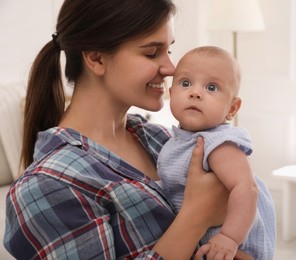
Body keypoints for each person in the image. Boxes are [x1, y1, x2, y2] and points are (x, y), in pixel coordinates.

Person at [2, 1, 256, 259]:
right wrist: (195, 215)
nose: (170, 68)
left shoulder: (161, 139)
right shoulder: (47, 186)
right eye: (152, 53)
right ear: (96, 58)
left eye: (169, 50)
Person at [157, 46, 276, 260]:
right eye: (185, 83)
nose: (195, 92)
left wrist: (230, 238)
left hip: (230, 245)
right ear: (171, 92)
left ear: (232, 108)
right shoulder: (178, 140)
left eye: (211, 87)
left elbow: (246, 188)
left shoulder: (218, 143)